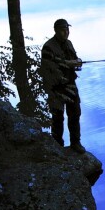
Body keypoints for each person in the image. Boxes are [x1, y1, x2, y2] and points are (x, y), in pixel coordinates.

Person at [41, 18, 84, 153]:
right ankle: (58, 146)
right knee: (57, 117)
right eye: (62, 30)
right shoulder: (48, 47)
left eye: (67, 29)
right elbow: (51, 66)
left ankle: (75, 143)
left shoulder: (69, 44)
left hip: (70, 85)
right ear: (56, 31)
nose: (66, 32)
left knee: (75, 114)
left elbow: (73, 60)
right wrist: (69, 63)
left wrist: (78, 62)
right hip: (56, 88)